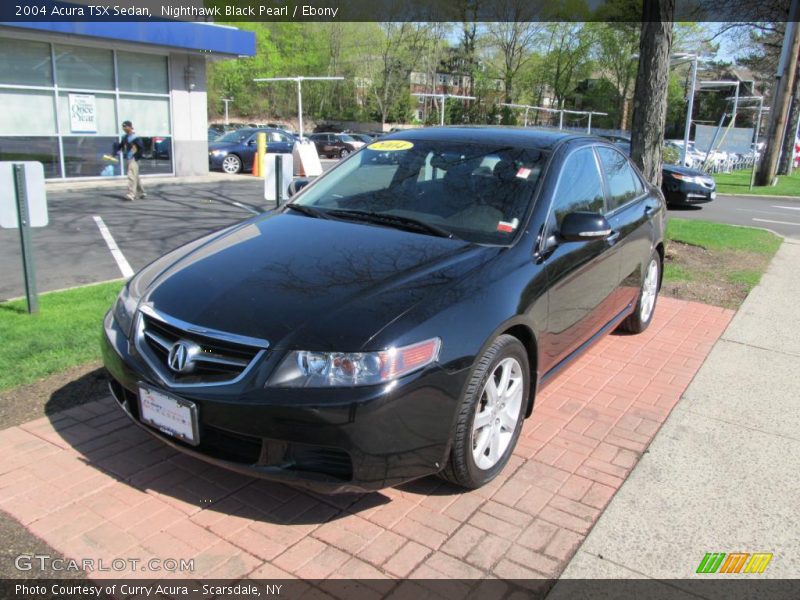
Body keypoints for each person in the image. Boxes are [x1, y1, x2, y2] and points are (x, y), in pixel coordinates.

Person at [114, 120, 146, 201]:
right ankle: (141, 192)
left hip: (133, 159)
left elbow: (141, 148)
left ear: (130, 127)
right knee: (135, 176)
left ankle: (131, 194)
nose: (124, 128)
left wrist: (136, 157)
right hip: (128, 158)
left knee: (131, 176)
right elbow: (121, 146)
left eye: (125, 126)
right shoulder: (125, 137)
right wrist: (116, 152)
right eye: (123, 127)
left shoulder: (135, 138)